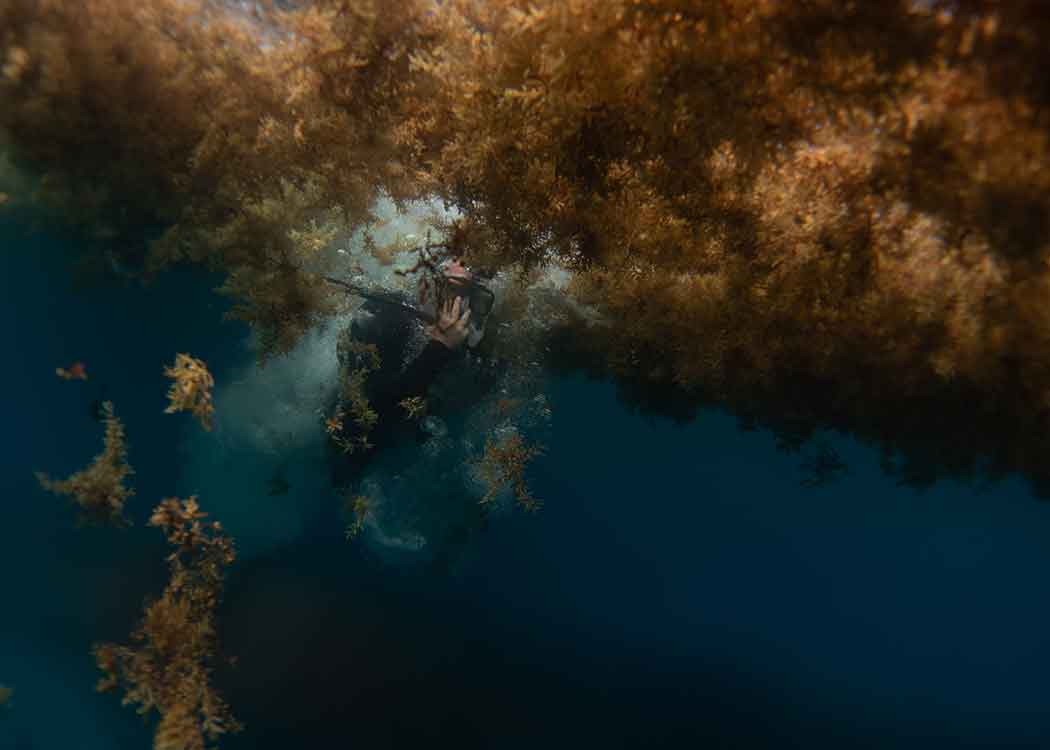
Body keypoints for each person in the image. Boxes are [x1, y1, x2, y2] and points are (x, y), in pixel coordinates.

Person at [327, 261, 494, 491]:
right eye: (452, 291)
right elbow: (362, 422)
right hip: (355, 450)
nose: (460, 307)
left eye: (473, 298)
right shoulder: (385, 317)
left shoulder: (476, 340)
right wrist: (439, 348)